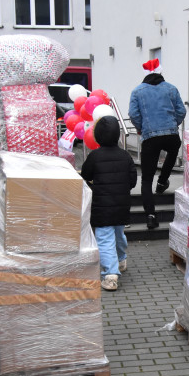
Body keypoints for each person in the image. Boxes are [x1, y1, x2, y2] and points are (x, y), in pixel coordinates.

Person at [81, 116, 137, 292]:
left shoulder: (94, 156)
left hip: (102, 207)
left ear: (97, 136)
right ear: (117, 135)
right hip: (121, 206)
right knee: (119, 235)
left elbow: (85, 174)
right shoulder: (126, 156)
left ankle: (110, 275)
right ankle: (121, 260)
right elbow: (133, 180)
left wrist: (93, 185)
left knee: (104, 240)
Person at [128, 58, 185, 230]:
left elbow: (133, 113)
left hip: (150, 137)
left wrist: (140, 128)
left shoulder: (137, 91)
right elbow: (181, 111)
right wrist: (173, 124)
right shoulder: (171, 88)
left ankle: (151, 216)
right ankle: (162, 181)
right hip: (170, 133)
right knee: (174, 148)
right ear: (160, 72)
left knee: (146, 179)